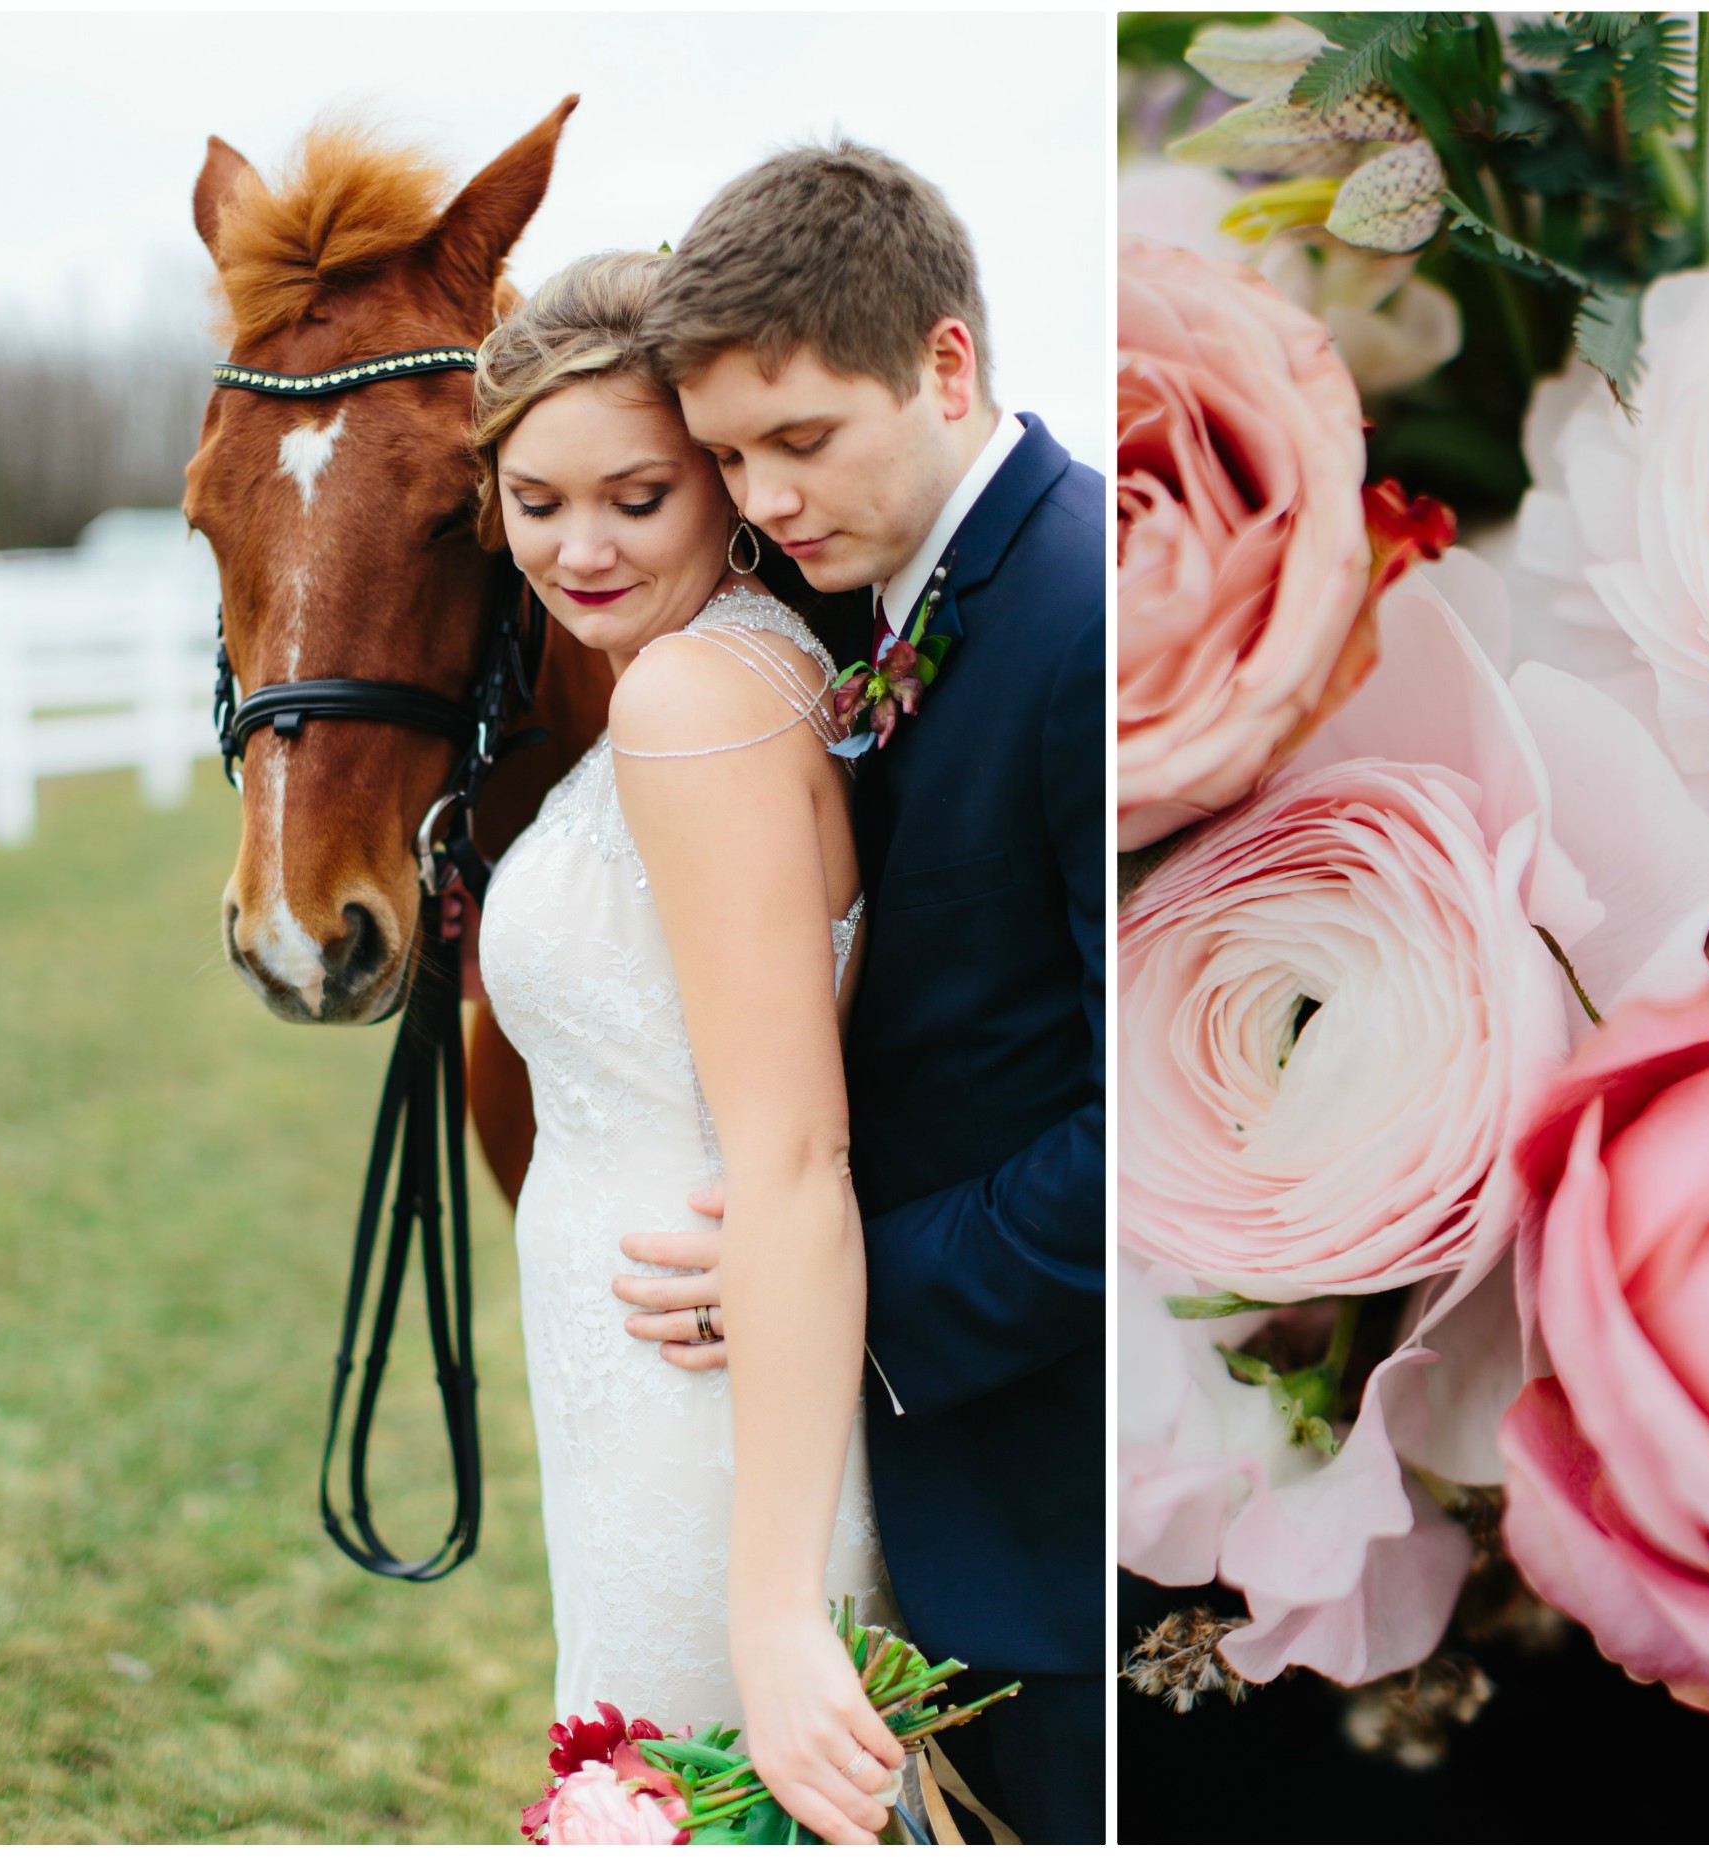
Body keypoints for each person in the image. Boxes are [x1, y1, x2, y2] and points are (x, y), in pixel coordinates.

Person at [619, 143, 1107, 1843]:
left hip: (1060, 1513)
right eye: (731, 456)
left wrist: (831, 1295)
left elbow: (1160, 1141)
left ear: (947, 363)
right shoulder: (895, 610)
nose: (764, 497)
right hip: (938, 1512)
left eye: (803, 439)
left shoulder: (1076, 615)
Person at [471, 251, 912, 1845]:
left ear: (721, 489)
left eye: (635, 497)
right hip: (641, 1390)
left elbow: (795, 1150)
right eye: (535, 499)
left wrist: (773, 1603)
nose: (576, 548)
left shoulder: (687, 703)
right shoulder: (744, 670)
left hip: (702, 1418)